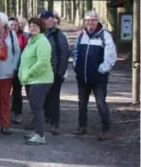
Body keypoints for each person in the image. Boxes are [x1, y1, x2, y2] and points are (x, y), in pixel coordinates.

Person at [72, 11, 117, 141]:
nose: (90, 22)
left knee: (101, 103)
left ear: (97, 21)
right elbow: (75, 51)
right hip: (82, 76)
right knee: (82, 103)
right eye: (87, 20)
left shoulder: (105, 35)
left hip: (99, 78)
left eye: (92, 20)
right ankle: (82, 126)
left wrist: (102, 69)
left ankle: (106, 129)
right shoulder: (81, 35)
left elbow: (111, 55)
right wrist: (76, 65)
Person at [18, 17, 54, 145]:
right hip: (31, 80)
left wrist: (28, 72)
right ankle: (38, 132)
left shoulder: (42, 41)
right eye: (31, 25)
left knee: (37, 108)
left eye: (36, 26)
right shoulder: (32, 40)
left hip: (40, 80)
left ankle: (41, 136)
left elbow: (42, 62)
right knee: (34, 107)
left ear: (41, 28)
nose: (33, 28)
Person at [40, 11, 70, 135]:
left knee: (54, 99)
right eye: (43, 19)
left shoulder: (59, 35)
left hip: (54, 72)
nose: (46, 21)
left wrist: (60, 73)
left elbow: (64, 55)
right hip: (40, 73)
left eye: (48, 19)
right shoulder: (39, 34)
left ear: (53, 20)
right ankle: (42, 120)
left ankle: (55, 123)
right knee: (41, 98)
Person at [9, 17, 30, 125]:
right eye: (11, 25)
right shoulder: (4, 36)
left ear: (19, 26)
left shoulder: (24, 37)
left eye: (15, 25)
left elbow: (27, 52)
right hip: (6, 69)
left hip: (19, 68)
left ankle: (18, 113)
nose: (13, 27)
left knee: (17, 92)